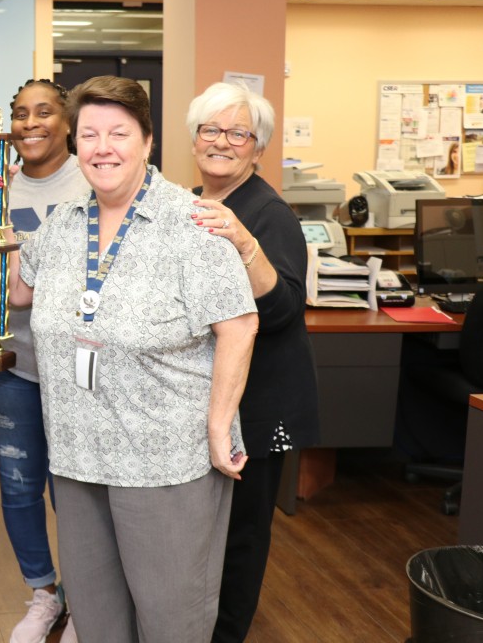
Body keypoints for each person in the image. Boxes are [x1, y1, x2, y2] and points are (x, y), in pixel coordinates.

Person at [0, 75, 258, 642]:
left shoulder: (192, 224)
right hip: (79, 454)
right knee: (98, 618)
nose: (102, 147)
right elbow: (16, 291)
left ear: (148, 142)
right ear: (74, 144)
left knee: (169, 622)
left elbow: (241, 322)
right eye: (89, 134)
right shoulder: (63, 223)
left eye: (118, 133)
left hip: (163, 461)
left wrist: (217, 424)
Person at [0, 78, 85, 643]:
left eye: (44, 112)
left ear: (67, 121)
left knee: (76, 490)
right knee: (20, 485)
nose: (31, 124)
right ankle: (44, 594)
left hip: (83, 373)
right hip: (14, 366)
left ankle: (86, 600)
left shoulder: (93, 181)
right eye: (21, 114)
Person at [184, 82, 320, 642]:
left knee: (241, 537)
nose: (221, 142)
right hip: (221, 397)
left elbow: (285, 308)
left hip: (263, 405)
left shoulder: (268, 214)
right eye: (210, 130)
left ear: (257, 148)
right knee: (210, 534)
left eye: (237, 133)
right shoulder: (197, 200)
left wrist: (247, 245)